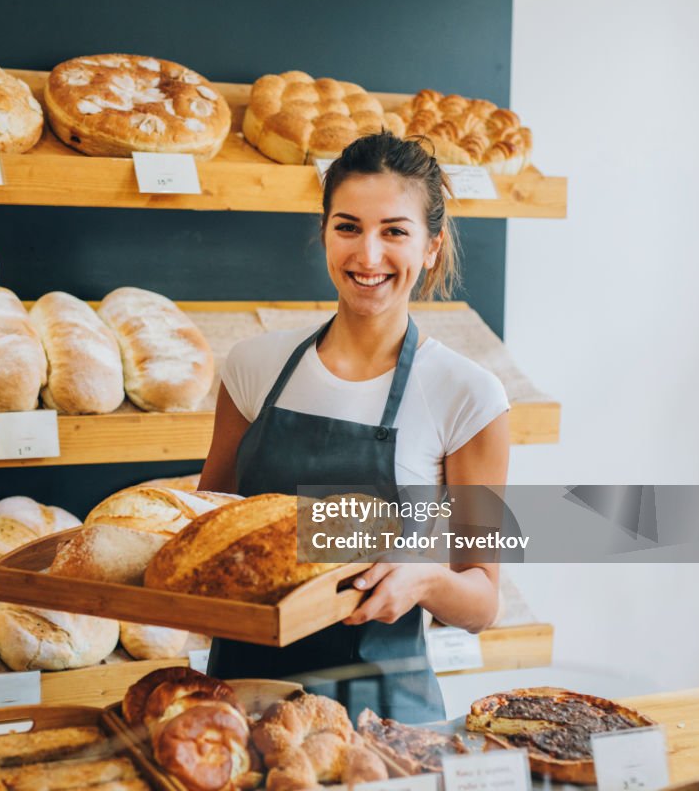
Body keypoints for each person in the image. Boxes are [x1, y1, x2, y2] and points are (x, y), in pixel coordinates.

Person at [197, 131, 510, 723]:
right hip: (242, 708)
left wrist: (424, 579)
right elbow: (208, 528)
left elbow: (482, 599)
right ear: (324, 234)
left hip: (383, 722)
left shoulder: (468, 396)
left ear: (431, 247)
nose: (368, 256)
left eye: (394, 231)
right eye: (348, 227)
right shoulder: (254, 367)